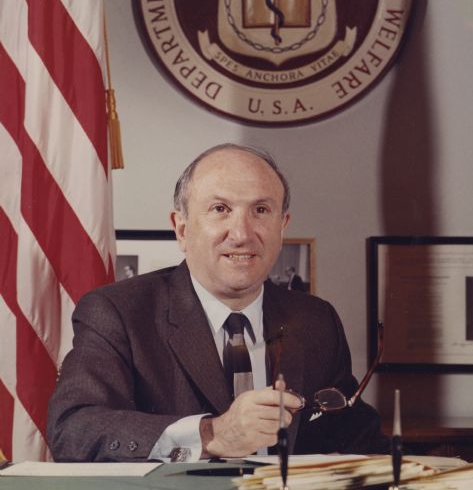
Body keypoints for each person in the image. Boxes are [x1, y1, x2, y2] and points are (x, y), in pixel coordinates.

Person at [46, 143, 388, 462]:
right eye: (220, 209)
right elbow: (74, 430)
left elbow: (353, 436)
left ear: (282, 227)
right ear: (181, 228)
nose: (241, 233)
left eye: (261, 210)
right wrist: (211, 434)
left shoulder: (316, 319)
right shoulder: (119, 312)